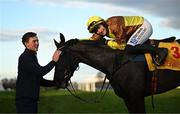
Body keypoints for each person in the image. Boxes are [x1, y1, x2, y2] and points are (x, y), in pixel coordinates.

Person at [86, 16, 168, 65]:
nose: (99, 31)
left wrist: (107, 42)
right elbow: (91, 40)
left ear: (103, 23)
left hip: (143, 26)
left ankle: (160, 51)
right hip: (134, 30)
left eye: (99, 27)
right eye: (95, 30)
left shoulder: (115, 26)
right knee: (130, 46)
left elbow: (122, 46)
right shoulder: (103, 30)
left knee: (129, 48)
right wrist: (76, 41)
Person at [15, 32, 61, 113]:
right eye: (34, 41)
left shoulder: (32, 57)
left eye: (37, 41)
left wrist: (57, 83)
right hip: (25, 102)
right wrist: (54, 61)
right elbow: (41, 71)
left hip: (31, 101)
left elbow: (40, 80)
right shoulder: (25, 58)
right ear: (26, 44)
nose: (37, 43)